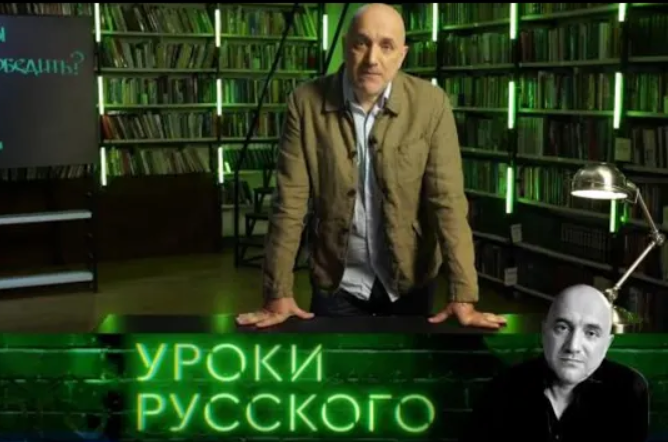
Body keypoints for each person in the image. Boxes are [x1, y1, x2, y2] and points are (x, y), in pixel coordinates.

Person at [236, 3, 505, 329]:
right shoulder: (305, 103)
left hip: (411, 281)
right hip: (337, 282)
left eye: (386, 46)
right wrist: (277, 292)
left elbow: (447, 202)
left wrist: (463, 294)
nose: (372, 59)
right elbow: (289, 204)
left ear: (402, 55)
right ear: (345, 46)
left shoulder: (432, 105)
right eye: (361, 43)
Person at [463, 284, 650, 442]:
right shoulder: (503, 388)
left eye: (591, 333)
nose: (573, 346)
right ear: (544, 332)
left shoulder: (628, 390)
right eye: (562, 328)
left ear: (607, 344)